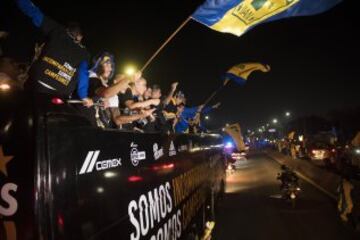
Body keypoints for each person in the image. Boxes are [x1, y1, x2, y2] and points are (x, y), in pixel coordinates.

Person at [15, 0, 92, 107]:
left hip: (37, 84)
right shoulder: (84, 53)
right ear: (80, 37)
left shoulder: (57, 30)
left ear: (66, 30)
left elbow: (34, 13)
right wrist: (84, 96)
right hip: (59, 93)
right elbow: (83, 74)